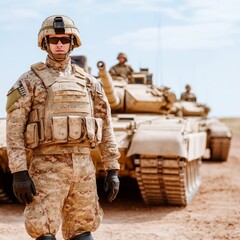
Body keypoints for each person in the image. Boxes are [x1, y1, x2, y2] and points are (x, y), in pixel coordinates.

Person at [6, 15, 120, 240]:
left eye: (65, 40)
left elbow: (105, 125)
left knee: (83, 230)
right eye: (54, 39)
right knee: (44, 231)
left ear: (73, 42)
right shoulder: (29, 81)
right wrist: (18, 172)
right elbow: (14, 128)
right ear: (45, 43)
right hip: (46, 167)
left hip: (83, 167)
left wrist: (112, 168)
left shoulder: (89, 82)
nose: (60, 44)